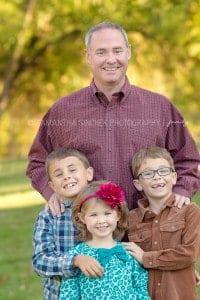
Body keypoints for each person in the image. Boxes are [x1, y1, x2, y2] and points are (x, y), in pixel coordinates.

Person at [26, 21, 200, 215]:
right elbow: (38, 162)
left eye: (117, 50)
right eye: (101, 52)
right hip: (86, 233)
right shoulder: (62, 111)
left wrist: (181, 190)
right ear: (88, 56)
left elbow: (186, 160)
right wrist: (52, 193)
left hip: (151, 230)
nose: (111, 59)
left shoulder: (160, 107)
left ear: (128, 52)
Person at [123, 146, 200, 300]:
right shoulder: (130, 219)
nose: (157, 177)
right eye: (148, 173)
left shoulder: (190, 211)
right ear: (138, 184)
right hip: (144, 295)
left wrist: (146, 257)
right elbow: (125, 258)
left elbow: (189, 253)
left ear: (174, 177)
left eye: (163, 171)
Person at [59, 180, 151, 300]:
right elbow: (69, 294)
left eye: (107, 213)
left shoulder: (129, 252)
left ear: (118, 215)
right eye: (93, 215)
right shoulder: (77, 256)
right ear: (82, 218)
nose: (101, 220)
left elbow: (141, 288)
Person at [32, 148, 104, 300]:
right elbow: (39, 261)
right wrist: (75, 261)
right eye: (59, 174)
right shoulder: (48, 218)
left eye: (72, 170)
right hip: (59, 294)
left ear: (89, 173)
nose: (67, 177)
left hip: (100, 293)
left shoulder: (104, 212)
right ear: (52, 186)